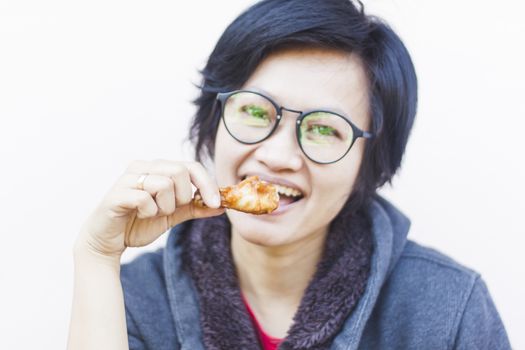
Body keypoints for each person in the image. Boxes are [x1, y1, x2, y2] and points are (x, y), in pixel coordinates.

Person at [67, 0, 511, 349]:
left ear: (369, 164)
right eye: (256, 111)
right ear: (214, 121)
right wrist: (95, 258)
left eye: (322, 129)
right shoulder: (136, 297)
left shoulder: (449, 306)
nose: (278, 155)